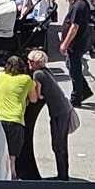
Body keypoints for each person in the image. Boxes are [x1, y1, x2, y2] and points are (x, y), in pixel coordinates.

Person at [24, 49, 75, 180]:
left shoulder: (38, 75)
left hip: (59, 112)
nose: (28, 63)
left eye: (30, 61)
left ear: (36, 63)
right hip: (64, 109)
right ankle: (63, 174)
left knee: (58, 145)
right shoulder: (46, 71)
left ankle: (62, 177)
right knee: (60, 144)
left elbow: (38, 95)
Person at [0, 55, 36, 174]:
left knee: (0, 152)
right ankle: (12, 175)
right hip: (16, 120)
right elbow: (34, 99)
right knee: (12, 156)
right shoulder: (26, 79)